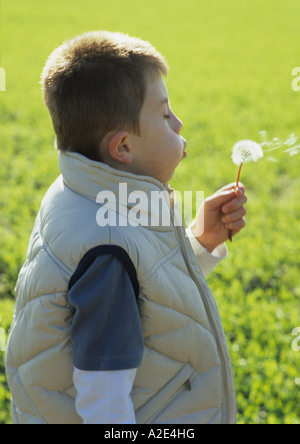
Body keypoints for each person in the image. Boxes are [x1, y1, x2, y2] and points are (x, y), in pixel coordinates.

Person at [5, 31, 247, 424]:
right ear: (123, 148)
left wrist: (200, 242)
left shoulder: (83, 191)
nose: (179, 122)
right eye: (166, 115)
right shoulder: (108, 251)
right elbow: (103, 401)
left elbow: (143, 292)